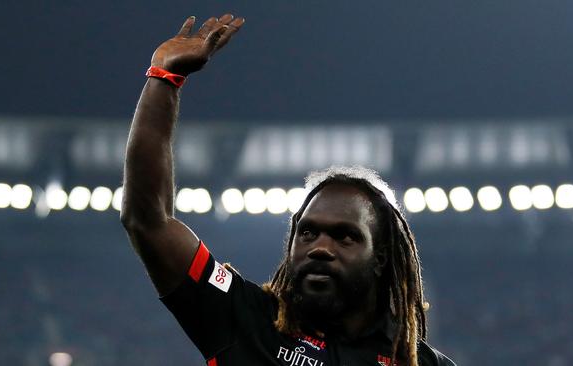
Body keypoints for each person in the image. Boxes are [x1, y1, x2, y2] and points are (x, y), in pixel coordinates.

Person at [121, 13, 455, 366]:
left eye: (345, 237)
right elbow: (149, 220)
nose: (320, 248)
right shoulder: (247, 319)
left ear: (381, 256)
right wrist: (164, 77)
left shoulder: (419, 362)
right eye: (308, 232)